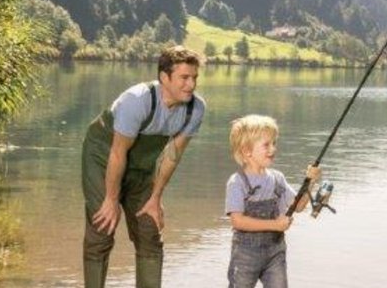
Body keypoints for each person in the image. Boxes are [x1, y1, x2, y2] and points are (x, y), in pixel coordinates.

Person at [82, 46, 207, 288]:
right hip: (103, 156)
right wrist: (111, 199)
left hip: (141, 166)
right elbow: (118, 153)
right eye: (184, 77)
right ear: (164, 77)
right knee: (103, 227)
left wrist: (156, 197)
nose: (191, 85)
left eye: (194, 78)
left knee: (149, 230)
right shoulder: (137, 100)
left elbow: (172, 155)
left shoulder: (195, 109)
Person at [225, 115, 321, 288]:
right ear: (247, 150)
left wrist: (310, 181)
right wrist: (275, 225)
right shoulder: (237, 182)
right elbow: (237, 221)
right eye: (266, 145)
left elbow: (298, 206)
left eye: (274, 143)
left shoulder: (277, 178)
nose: (273, 149)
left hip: (275, 252)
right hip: (245, 255)